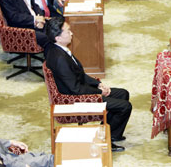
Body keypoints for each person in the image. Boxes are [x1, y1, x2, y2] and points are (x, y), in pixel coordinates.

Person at [45, 17, 132, 152]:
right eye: (68, 31)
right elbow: (76, 89)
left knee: (123, 93)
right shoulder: (60, 58)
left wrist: (98, 85)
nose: (71, 33)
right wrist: (99, 93)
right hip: (74, 99)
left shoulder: (58, 49)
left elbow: (79, 74)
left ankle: (111, 133)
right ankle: (107, 140)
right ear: (58, 37)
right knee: (125, 107)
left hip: (78, 89)